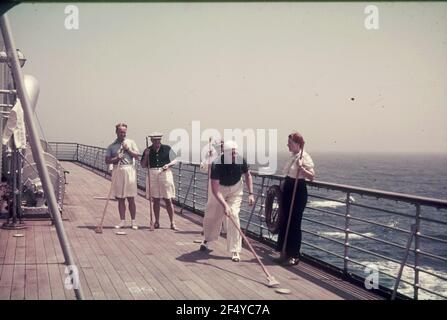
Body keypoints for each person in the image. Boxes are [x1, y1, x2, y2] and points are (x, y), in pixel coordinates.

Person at [199, 141, 255, 262]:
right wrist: (224, 205)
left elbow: (248, 175)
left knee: (233, 215)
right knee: (211, 214)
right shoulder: (216, 164)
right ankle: (208, 239)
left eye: (235, 153)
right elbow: (215, 190)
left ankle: (235, 250)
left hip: (235, 189)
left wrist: (251, 193)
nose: (234, 156)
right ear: (225, 153)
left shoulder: (241, 160)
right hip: (220, 189)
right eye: (232, 153)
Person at [275, 131, 315, 266]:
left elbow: (311, 177)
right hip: (289, 188)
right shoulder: (292, 157)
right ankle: (283, 252)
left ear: (298, 144)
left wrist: (302, 168)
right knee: (284, 221)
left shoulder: (305, 157)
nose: (287, 145)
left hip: (298, 191)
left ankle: (294, 255)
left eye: (290, 143)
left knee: (295, 223)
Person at [105, 123, 140, 230]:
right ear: (116, 132)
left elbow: (137, 156)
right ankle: (122, 221)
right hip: (118, 170)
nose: (123, 134)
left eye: (124, 132)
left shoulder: (131, 142)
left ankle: (133, 221)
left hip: (129, 170)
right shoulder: (111, 146)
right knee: (120, 198)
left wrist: (128, 150)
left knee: (131, 198)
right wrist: (116, 158)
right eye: (121, 132)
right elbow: (107, 160)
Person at [141, 132, 178, 230]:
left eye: (159, 140)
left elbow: (175, 160)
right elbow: (143, 165)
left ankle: (172, 222)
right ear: (151, 140)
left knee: (168, 199)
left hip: (164, 173)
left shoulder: (167, 148)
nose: (157, 142)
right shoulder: (147, 150)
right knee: (156, 199)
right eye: (155, 140)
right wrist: (146, 156)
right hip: (152, 173)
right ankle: (157, 222)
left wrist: (169, 165)